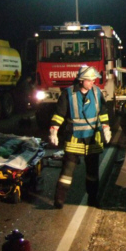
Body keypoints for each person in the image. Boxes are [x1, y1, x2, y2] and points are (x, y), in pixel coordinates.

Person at [49, 66, 112, 209]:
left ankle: (93, 199)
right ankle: (59, 200)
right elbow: (59, 114)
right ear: (81, 80)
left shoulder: (97, 92)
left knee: (92, 173)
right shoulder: (68, 94)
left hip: (93, 138)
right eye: (89, 80)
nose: (92, 83)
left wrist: (106, 128)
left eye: (93, 80)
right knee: (67, 171)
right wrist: (54, 131)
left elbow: (103, 111)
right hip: (74, 137)